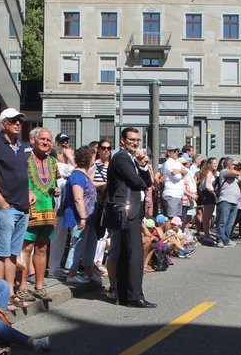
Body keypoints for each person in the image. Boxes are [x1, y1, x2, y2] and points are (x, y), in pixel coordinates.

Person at [0, 108, 31, 305]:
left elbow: (22, 175)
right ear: (3, 123)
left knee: (13, 253)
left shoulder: (21, 146)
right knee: (1, 252)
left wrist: (29, 193)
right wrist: (0, 200)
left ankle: (10, 292)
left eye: (19, 120)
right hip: (6, 206)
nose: (18, 123)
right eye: (13, 120)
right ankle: (0, 293)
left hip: (22, 207)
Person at [107, 127, 155, 307]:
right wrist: (142, 169)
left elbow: (148, 182)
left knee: (130, 253)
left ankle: (126, 295)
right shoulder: (120, 157)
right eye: (131, 140)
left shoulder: (132, 159)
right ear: (122, 141)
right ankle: (134, 296)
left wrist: (143, 165)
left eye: (137, 140)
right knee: (134, 254)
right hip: (126, 211)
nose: (135, 143)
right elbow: (139, 182)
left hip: (133, 210)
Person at [20, 128, 58, 301]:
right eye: (42, 139)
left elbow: (53, 182)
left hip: (48, 209)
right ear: (33, 140)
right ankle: (22, 287)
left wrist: (56, 189)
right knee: (26, 248)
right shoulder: (25, 160)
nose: (45, 142)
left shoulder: (52, 161)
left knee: (42, 248)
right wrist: (27, 191)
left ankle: (39, 286)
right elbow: (19, 181)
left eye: (49, 140)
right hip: (31, 209)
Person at [61, 145, 99, 284]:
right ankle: (71, 274)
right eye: (94, 156)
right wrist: (83, 217)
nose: (95, 158)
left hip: (88, 218)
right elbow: (78, 198)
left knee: (90, 244)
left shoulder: (84, 174)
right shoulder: (77, 175)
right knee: (77, 245)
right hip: (79, 218)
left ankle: (89, 272)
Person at [214, 158, 241, 247]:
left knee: (230, 223)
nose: (236, 167)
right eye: (235, 165)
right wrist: (239, 170)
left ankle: (226, 239)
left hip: (235, 201)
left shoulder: (236, 175)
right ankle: (219, 239)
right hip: (225, 200)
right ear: (229, 165)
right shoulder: (223, 171)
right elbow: (236, 173)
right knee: (222, 221)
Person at [159, 146, 187, 219]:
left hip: (178, 194)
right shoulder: (168, 163)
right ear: (169, 153)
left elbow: (186, 171)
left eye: (177, 151)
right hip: (171, 194)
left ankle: (174, 230)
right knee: (171, 218)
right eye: (174, 151)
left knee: (177, 219)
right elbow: (175, 174)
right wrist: (180, 171)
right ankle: (169, 230)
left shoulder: (177, 162)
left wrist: (179, 171)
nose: (177, 153)